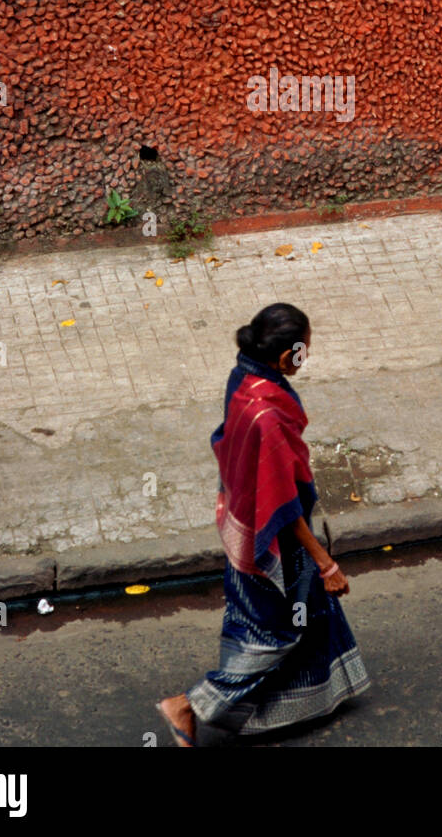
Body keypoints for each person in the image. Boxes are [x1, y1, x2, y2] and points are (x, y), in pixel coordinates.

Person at [158, 302, 370, 746]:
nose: (306, 359)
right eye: (302, 352)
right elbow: (284, 506)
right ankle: (189, 704)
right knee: (272, 633)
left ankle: (312, 698)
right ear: (282, 358)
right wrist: (325, 561)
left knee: (307, 612)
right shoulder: (267, 415)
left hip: (242, 515)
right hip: (267, 538)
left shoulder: (245, 376)